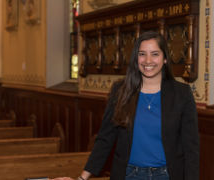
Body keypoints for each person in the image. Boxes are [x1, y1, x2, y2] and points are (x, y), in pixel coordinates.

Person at [51, 31, 199, 180]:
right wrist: (82, 178)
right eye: (142, 54)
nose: (148, 60)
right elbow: (105, 139)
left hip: (168, 175)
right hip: (128, 175)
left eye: (155, 54)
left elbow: (191, 148)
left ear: (165, 58)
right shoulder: (120, 91)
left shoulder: (182, 94)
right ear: (136, 58)